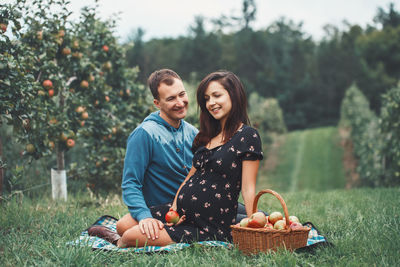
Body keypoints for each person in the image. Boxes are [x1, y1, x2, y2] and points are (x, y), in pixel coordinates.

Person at [89, 70, 263, 247]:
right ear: (157, 103)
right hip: (178, 209)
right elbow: (132, 183)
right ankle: (121, 235)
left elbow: (241, 185)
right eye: (171, 98)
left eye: (182, 95)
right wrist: (149, 216)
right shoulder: (146, 134)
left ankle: (120, 240)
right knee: (122, 225)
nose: (180, 103)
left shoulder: (196, 133)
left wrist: (253, 222)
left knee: (258, 214)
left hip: (208, 213)